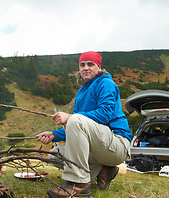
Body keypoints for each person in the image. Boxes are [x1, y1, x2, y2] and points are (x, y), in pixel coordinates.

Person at [36, 51, 132, 198]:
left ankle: (78, 184)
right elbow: (78, 128)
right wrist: (54, 134)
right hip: (99, 147)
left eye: (90, 64)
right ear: (79, 69)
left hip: (117, 144)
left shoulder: (106, 84)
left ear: (99, 67)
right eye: (82, 65)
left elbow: (104, 114)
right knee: (55, 155)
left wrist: (70, 117)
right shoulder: (81, 92)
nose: (86, 68)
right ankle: (103, 171)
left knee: (75, 119)